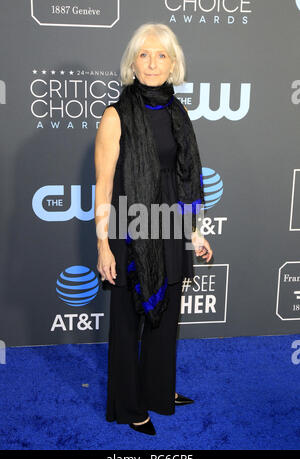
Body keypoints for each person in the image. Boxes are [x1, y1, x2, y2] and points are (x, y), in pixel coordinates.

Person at [94, 23, 213, 435]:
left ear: (173, 63)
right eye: (144, 55)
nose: (152, 63)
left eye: (161, 55)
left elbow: (182, 177)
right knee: (128, 320)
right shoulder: (116, 114)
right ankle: (129, 405)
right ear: (132, 62)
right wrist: (103, 246)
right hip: (130, 227)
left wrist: (194, 232)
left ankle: (159, 389)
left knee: (167, 316)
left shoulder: (177, 111)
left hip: (168, 224)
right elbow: (105, 185)